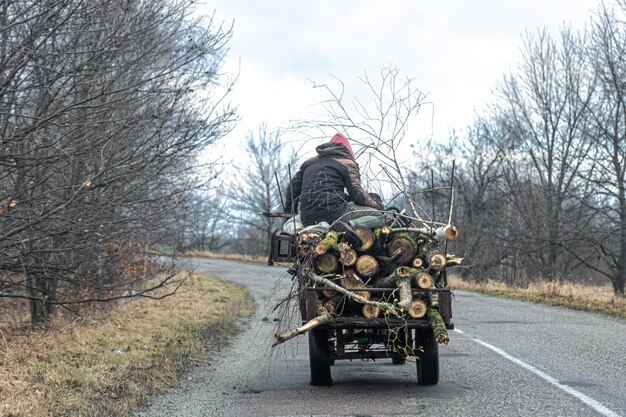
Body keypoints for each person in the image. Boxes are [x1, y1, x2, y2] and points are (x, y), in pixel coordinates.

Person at [284, 133, 385, 243]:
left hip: (307, 218)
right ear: (348, 151)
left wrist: (289, 213)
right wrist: (376, 205)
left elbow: (292, 190)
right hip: (333, 214)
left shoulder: (309, 163)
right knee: (379, 216)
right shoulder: (347, 162)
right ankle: (347, 226)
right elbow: (357, 195)